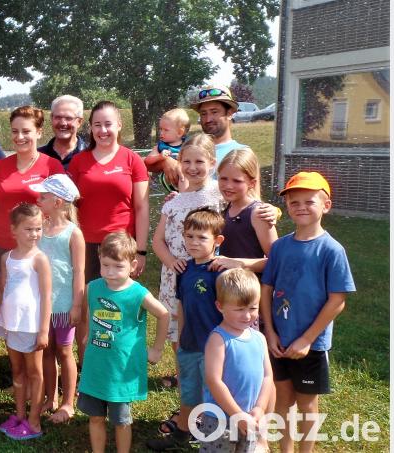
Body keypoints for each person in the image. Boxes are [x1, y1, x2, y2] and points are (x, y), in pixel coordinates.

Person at [260, 172, 355, 453]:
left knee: (306, 403)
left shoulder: (332, 250)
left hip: (311, 345)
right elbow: (267, 289)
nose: (300, 206)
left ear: (326, 205)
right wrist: (270, 332)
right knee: (283, 399)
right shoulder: (280, 247)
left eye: (308, 201)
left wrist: (307, 340)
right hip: (279, 341)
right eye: (293, 201)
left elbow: (338, 300)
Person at [67, 100, 149, 366]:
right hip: (86, 244)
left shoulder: (132, 160)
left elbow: (141, 206)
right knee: (87, 305)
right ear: (89, 128)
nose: (103, 130)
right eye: (97, 125)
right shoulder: (79, 162)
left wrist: (141, 250)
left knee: (118, 305)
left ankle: (118, 360)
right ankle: (86, 364)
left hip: (122, 247)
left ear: (119, 125)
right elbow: (69, 204)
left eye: (108, 124)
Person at [79, 232, 169, 453]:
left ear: (132, 265)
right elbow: (89, 316)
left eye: (118, 266)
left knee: (121, 421)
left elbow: (164, 314)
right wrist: (86, 337)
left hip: (121, 370)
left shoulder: (138, 293)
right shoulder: (92, 288)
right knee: (96, 417)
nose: (110, 272)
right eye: (105, 265)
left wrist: (157, 349)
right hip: (96, 368)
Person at [148, 208, 226, 451]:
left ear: (217, 240)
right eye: (189, 236)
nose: (193, 242)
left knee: (214, 395)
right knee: (188, 393)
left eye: (201, 237)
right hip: (189, 345)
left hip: (213, 348)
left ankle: (215, 441)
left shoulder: (220, 272)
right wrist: (181, 340)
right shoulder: (184, 270)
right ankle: (182, 433)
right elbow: (181, 306)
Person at [152, 133, 222, 361]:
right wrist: (171, 262)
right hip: (176, 274)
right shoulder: (174, 202)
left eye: (199, 162)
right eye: (187, 162)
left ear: (212, 163)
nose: (192, 168)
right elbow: (157, 240)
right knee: (178, 332)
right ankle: (183, 374)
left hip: (208, 275)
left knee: (209, 325)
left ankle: (211, 374)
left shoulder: (220, 194)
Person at [199, 268, 274, 453]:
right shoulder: (219, 339)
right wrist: (236, 414)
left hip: (249, 417)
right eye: (239, 309)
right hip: (220, 420)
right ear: (220, 306)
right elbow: (213, 380)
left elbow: (267, 376)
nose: (247, 315)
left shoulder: (259, 338)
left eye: (253, 308)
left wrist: (260, 408)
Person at [30, 174, 85, 423]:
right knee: (47, 351)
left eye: (43, 196)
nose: (38, 200)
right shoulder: (38, 230)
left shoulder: (73, 234)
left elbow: (79, 271)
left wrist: (76, 304)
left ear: (59, 202)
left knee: (64, 351)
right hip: (43, 305)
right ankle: (49, 398)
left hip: (63, 305)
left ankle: (67, 403)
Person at [0, 203, 52, 440]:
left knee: (35, 372)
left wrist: (43, 331)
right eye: (28, 229)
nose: (34, 234)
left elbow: (47, 296)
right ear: (14, 230)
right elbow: (4, 290)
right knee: (17, 371)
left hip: (31, 325)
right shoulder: (6, 258)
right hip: (11, 323)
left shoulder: (40, 259)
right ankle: (19, 414)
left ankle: (35, 421)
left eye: (38, 229)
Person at [0, 106, 64, 268]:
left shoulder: (52, 166)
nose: (19, 137)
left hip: (39, 248)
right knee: (5, 293)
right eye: (15, 131)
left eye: (26, 131)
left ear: (39, 132)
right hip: (2, 246)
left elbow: (60, 212)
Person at [211, 149, 278, 276]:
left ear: (252, 183)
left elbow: (277, 261)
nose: (228, 186)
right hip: (226, 289)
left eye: (237, 181)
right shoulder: (225, 208)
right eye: (223, 179)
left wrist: (240, 264)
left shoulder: (258, 213)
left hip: (250, 291)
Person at [143, 108, 190, 192]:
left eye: (166, 130)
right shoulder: (160, 147)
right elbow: (147, 161)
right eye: (160, 129)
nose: (161, 133)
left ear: (179, 132)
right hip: (166, 183)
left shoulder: (189, 145)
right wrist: (160, 157)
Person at [38, 95, 88, 170]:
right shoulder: (37, 157)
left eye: (68, 118)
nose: (63, 123)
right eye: (58, 117)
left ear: (79, 122)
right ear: (51, 118)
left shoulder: (91, 156)